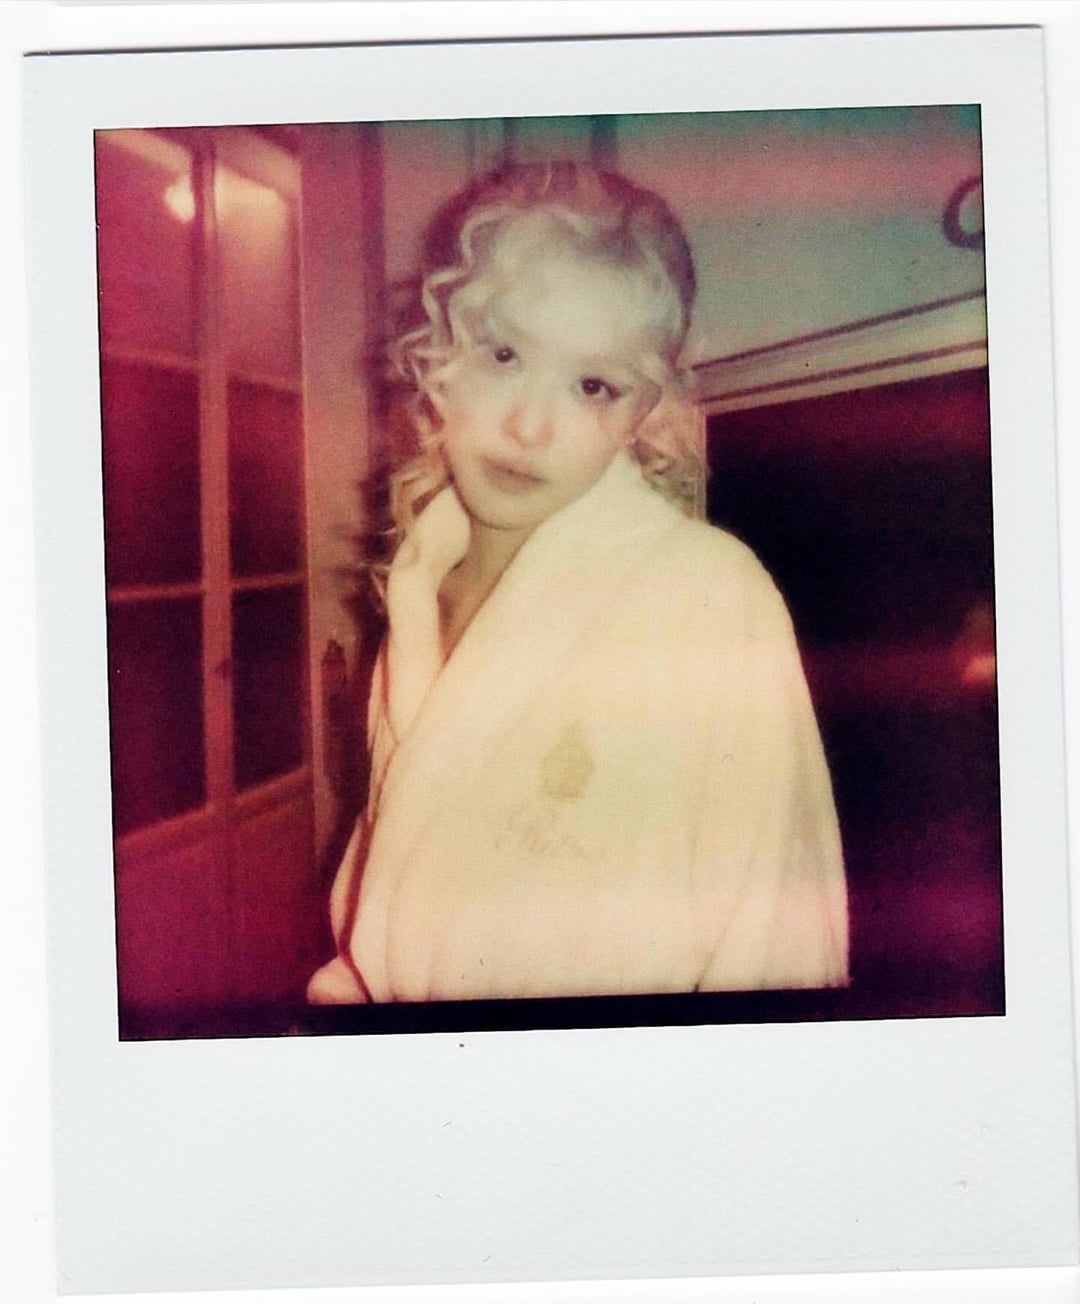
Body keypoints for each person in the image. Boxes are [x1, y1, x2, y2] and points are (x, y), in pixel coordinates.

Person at [307, 159, 848, 1005]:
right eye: (503, 354)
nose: (529, 426)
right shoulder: (418, 589)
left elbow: (780, 939)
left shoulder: (707, 597)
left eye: (594, 385)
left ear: (640, 414)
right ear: (440, 354)